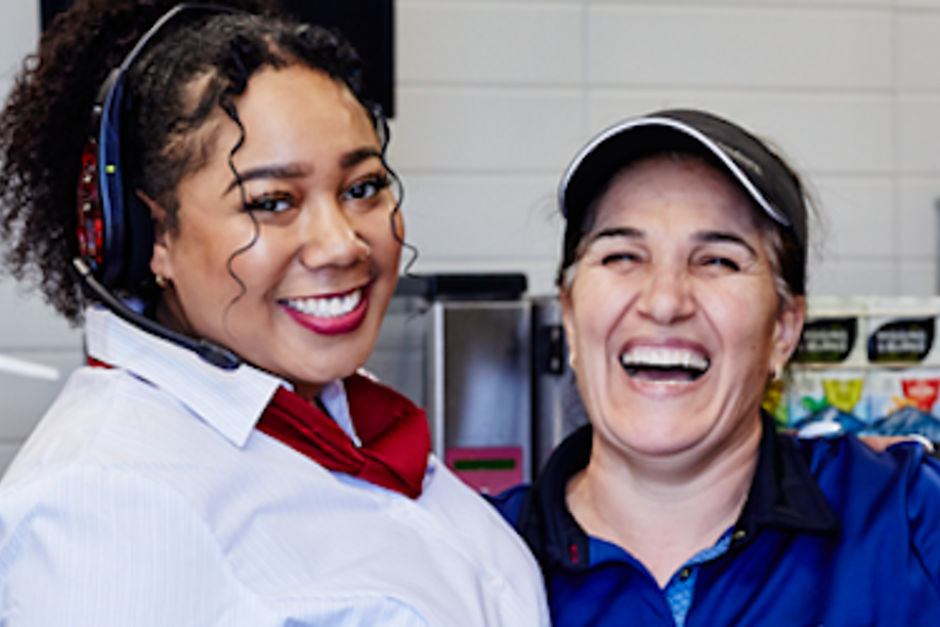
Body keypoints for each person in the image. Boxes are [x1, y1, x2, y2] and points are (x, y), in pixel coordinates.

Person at [0, 1, 548, 624]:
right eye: (272, 202)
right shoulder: (107, 502)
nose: (343, 243)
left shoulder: (339, 421)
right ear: (151, 236)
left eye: (362, 187)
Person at [493, 109, 940, 625]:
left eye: (718, 261)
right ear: (570, 316)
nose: (664, 301)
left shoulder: (904, 521)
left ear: (784, 331)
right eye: (622, 256)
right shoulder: (477, 558)